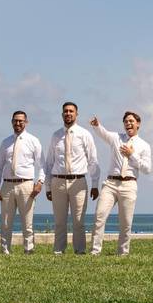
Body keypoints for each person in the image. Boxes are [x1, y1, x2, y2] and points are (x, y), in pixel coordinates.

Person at [88, 112, 152, 256]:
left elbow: (147, 169)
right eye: (126, 121)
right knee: (99, 216)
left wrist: (132, 155)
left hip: (129, 185)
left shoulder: (144, 145)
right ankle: (95, 251)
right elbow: (103, 132)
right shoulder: (116, 138)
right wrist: (97, 125)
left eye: (131, 121)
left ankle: (123, 252)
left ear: (138, 124)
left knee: (126, 222)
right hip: (110, 183)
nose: (128, 124)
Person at [45, 102, 100, 255]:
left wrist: (95, 184)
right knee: (59, 221)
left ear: (76, 114)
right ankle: (58, 250)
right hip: (58, 182)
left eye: (71, 111)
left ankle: (80, 251)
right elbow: (49, 162)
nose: (68, 113)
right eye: (65, 111)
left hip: (78, 182)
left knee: (78, 221)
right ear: (62, 114)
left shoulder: (85, 134)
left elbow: (93, 161)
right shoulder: (56, 135)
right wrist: (48, 186)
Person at [0, 111, 44, 254]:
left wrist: (40, 182)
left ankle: (29, 249)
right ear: (11, 122)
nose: (18, 123)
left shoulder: (34, 141)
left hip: (26, 185)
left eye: (21, 121)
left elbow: (42, 165)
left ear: (26, 122)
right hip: (7, 185)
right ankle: (5, 250)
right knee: (6, 222)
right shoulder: (6, 142)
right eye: (15, 121)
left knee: (27, 222)